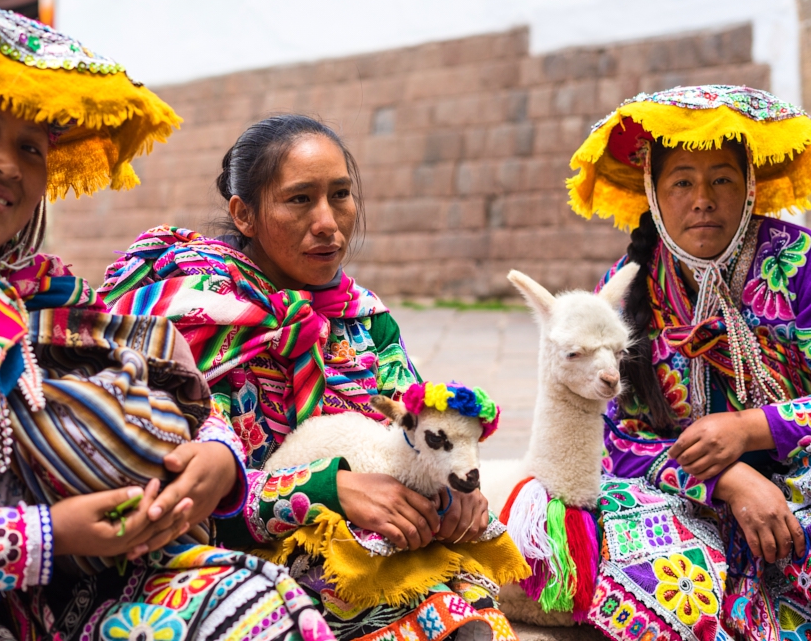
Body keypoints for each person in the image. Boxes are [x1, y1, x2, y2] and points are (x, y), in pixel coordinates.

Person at [0, 0, 333, 641]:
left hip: (63, 609)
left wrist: (218, 460)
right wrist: (43, 538)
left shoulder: (39, 303)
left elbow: (177, 393)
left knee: (259, 606)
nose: (6, 162)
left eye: (31, 147)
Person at [100, 115, 529, 641]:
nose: (328, 221)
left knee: (466, 588)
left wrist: (452, 485)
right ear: (245, 214)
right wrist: (330, 489)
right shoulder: (192, 319)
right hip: (234, 557)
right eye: (300, 199)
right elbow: (182, 493)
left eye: (341, 195)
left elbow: (412, 431)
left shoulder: (365, 318)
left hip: (370, 545)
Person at [567, 85, 811, 640]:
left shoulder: (799, 265)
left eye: (722, 178)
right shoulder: (623, 292)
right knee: (640, 551)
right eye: (682, 182)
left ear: (750, 188)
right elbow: (605, 437)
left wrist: (751, 429)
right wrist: (724, 477)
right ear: (653, 194)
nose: (703, 199)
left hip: (802, 480)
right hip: (687, 492)